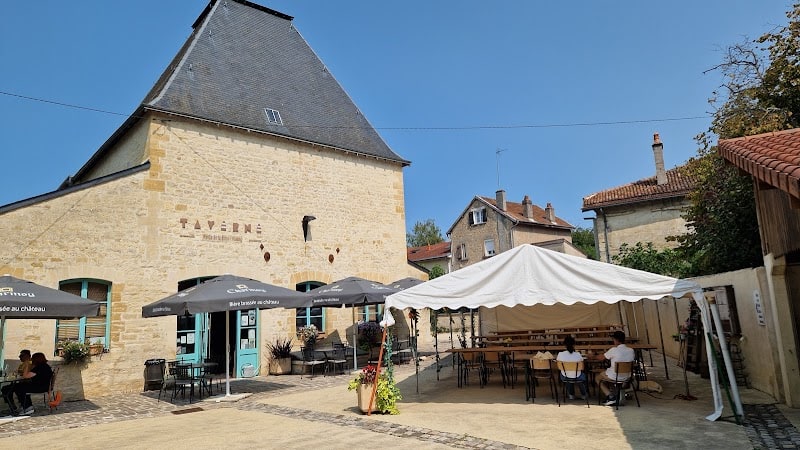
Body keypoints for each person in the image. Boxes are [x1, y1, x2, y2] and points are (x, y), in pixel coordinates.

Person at [594, 330, 635, 406]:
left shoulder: (614, 350)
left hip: (615, 376)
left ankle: (610, 396)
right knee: (611, 374)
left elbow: (601, 358)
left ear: (616, 340)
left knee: (598, 377)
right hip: (627, 376)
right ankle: (617, 394)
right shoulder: (631, 350)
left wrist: (593, 356)